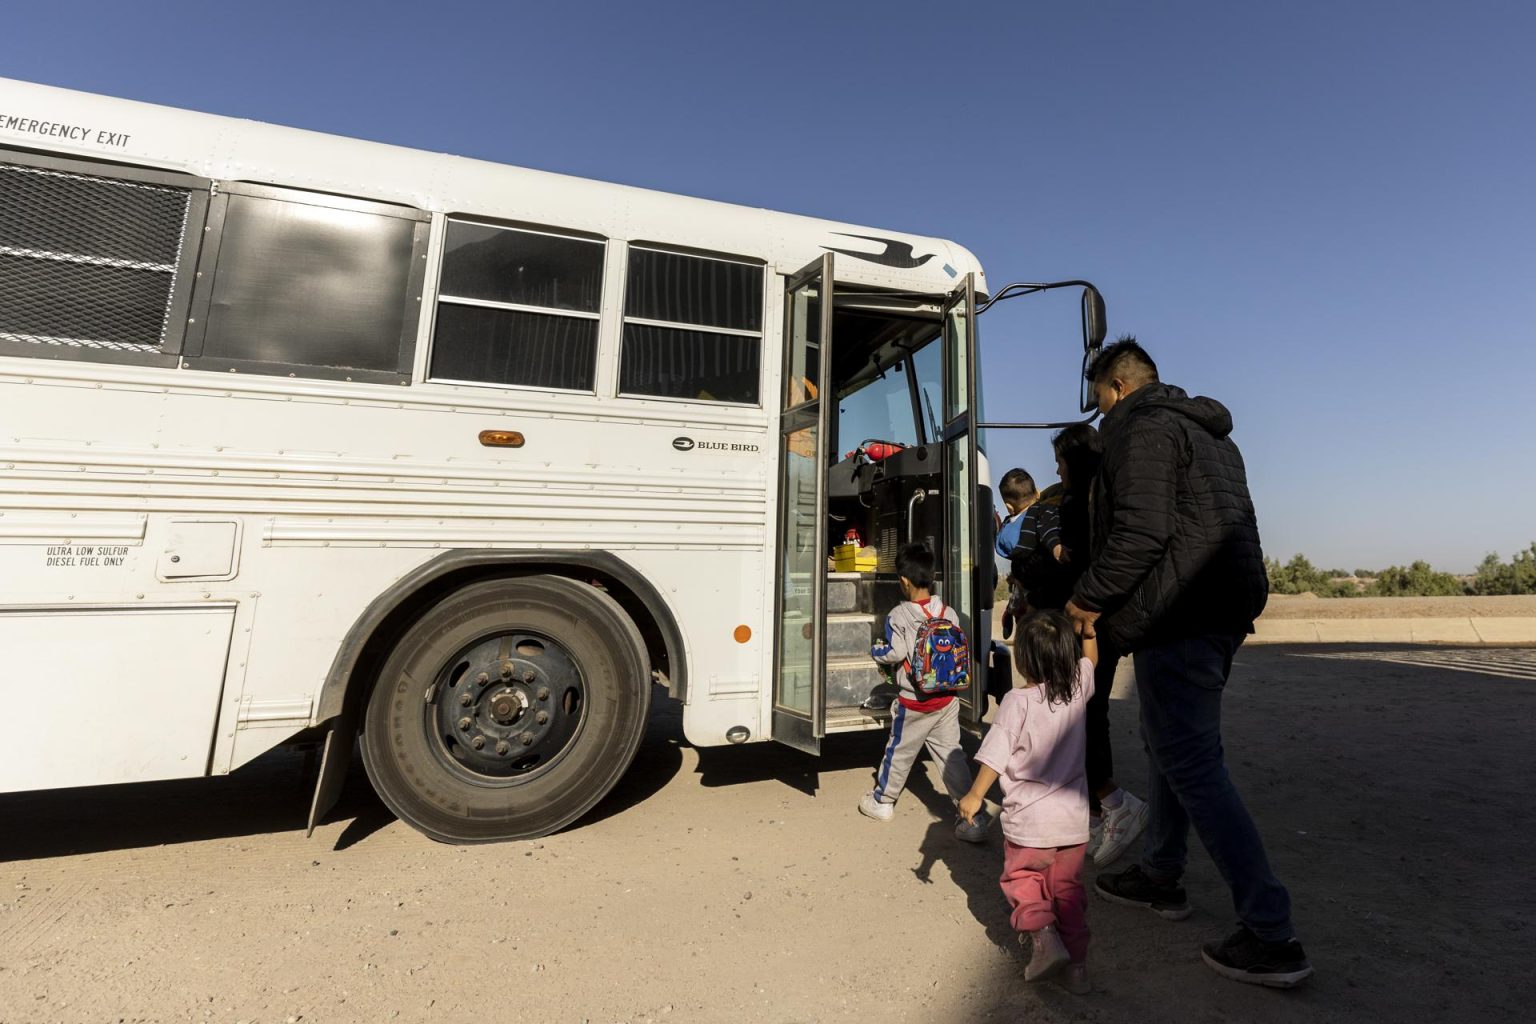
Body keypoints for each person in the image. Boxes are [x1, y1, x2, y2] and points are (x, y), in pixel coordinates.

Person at [1064, 337, 1312, 987]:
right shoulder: (1209, 434)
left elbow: (1141, 532)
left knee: (1194, 765)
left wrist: (1087, 600)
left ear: (1117, 387)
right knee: (1171, 748)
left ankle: (1271, 933)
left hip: (1180, 613)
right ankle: (1160, 874)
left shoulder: (1141, 430)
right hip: (1220, 607)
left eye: (1099, 400)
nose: (1099, 414)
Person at [958, 610, 1097, 994]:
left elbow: (995, 754)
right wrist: (1089, 631)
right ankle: (1078, 971)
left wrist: (974, 795)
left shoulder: (1017, 702)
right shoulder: (1077, 689)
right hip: (1072, 826)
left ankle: (1043, 939)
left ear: (1025, 660)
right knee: (1067, 893)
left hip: (1030, 827)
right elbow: (1092, 662)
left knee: (1024, 881)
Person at [1044, 424, 1148, 868]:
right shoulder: (1110, 495)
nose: (1056, 468)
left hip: (1082, 622)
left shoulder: (1073, 503)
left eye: (1061, 460)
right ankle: (1096, 810)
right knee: (1090, 712)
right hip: (1103, 622)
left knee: (1077, 715)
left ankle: (1116, 803)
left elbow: (1073, 564)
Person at [860, 543, 991, 843]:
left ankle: (882, 801)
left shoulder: (898, 615)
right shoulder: (948, 612)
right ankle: (974, 818)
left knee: (900, 752)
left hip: (915, 702)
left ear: (903, 581)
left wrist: (876, 650)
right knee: (951, 757)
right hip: (947, 700)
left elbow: (896, 653)